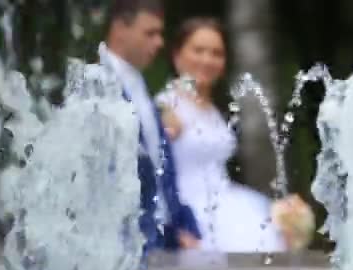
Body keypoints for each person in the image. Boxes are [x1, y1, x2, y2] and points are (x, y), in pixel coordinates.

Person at [155, 17, 315, 253]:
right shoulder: (166, 107)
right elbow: (152, 172)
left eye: (216, 53)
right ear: (177, 55)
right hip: (190, 211)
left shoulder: (213, 109)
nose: (207, 60)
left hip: (230, 203)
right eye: (198, 50)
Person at [100, 0, 201, 252]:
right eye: (150, 33)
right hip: (122, 244)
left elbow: (159, 163)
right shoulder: (96, 83)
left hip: (163, 237)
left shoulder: (137, 82)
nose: (159, 42)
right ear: (120, 28)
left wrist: (179, 226)